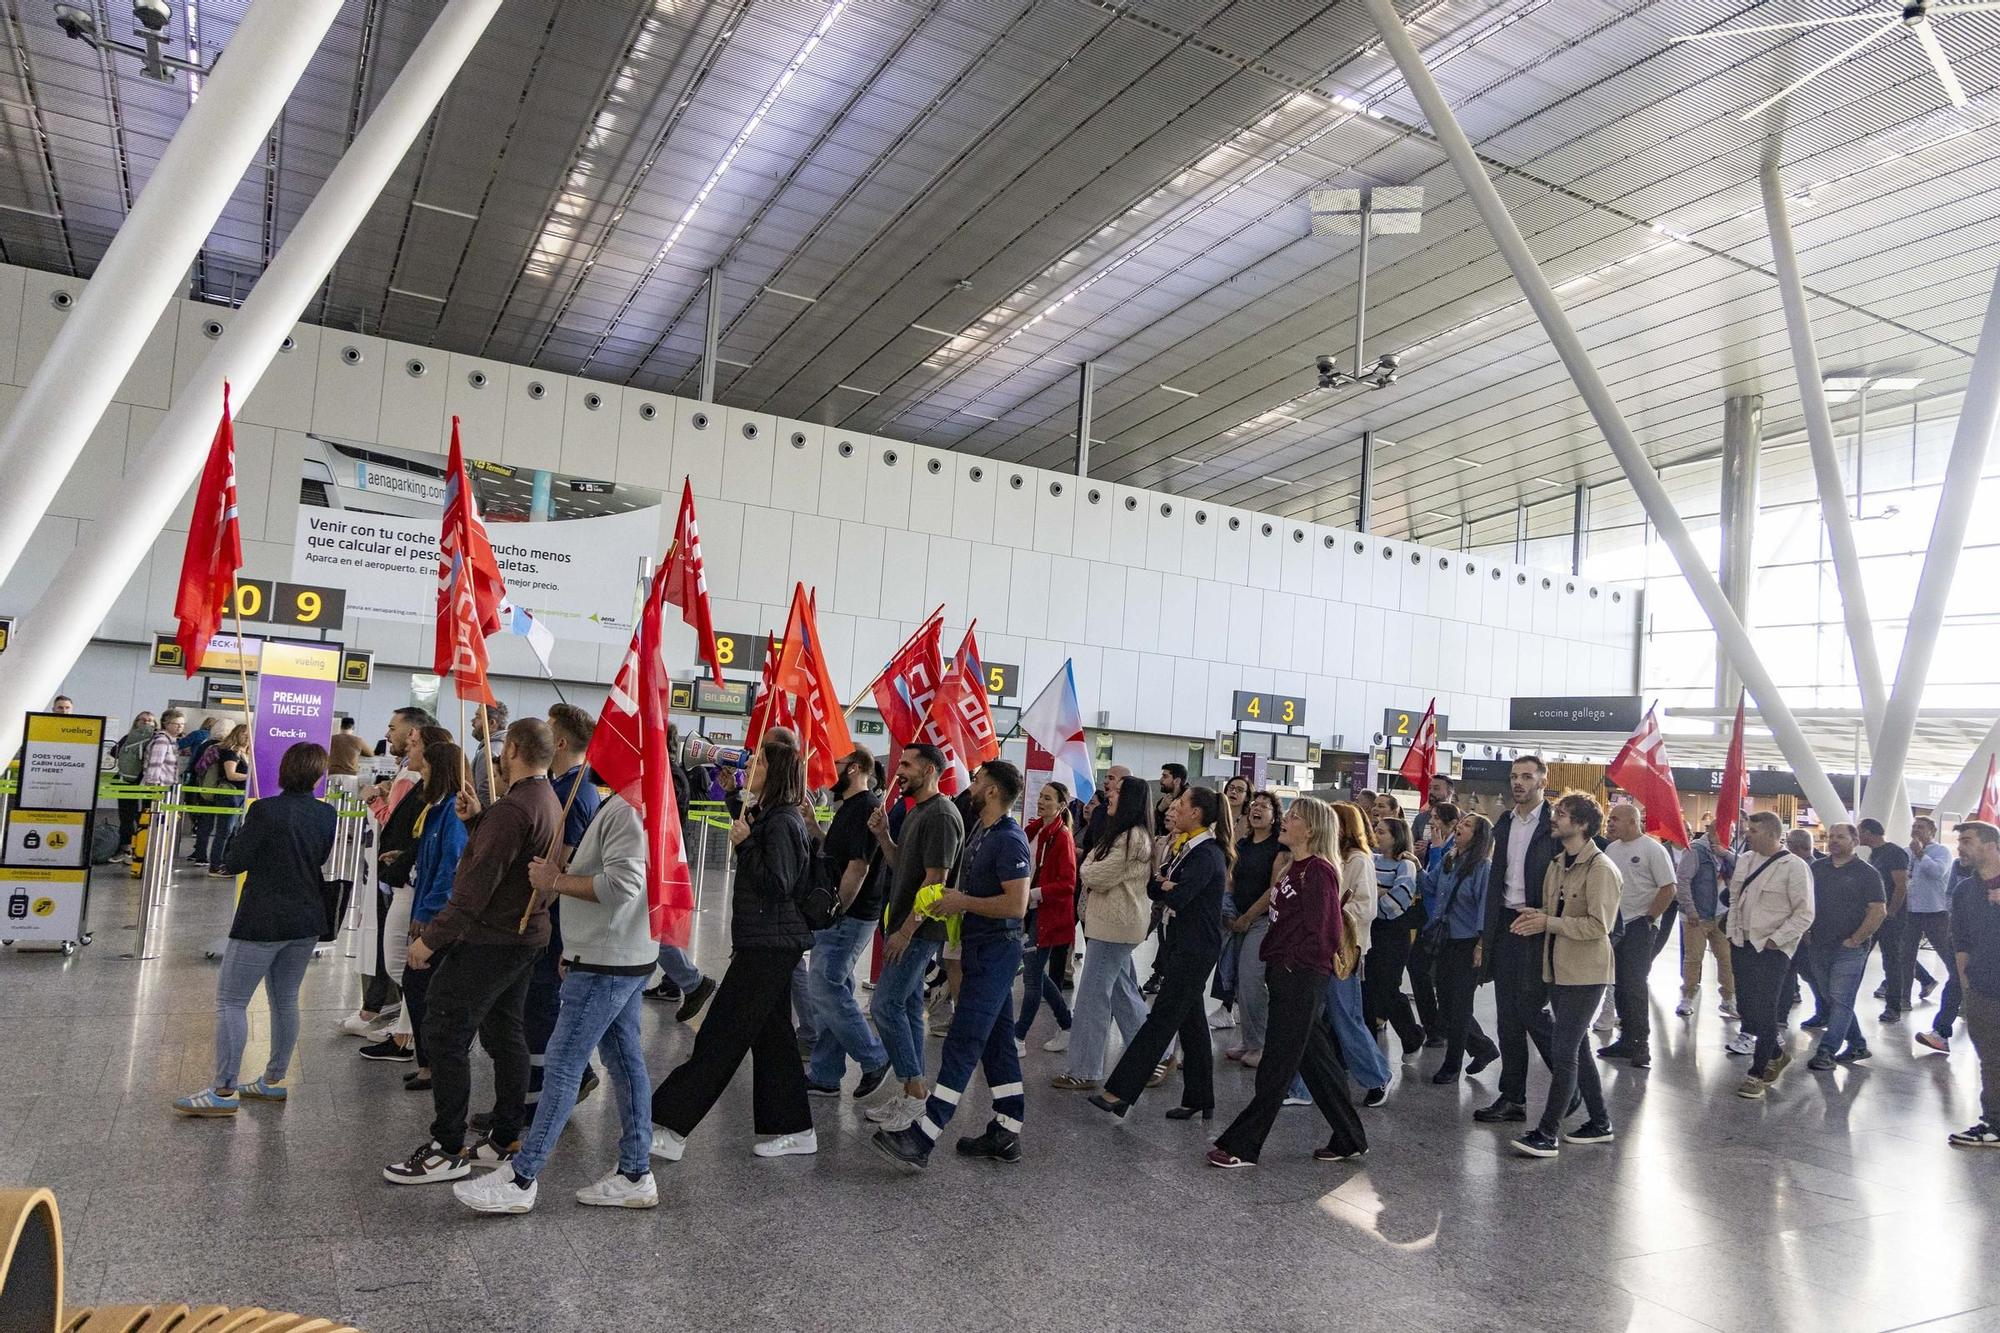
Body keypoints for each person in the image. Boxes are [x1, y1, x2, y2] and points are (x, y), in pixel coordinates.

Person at [454, 790, 661, 1213]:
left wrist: (555, 881)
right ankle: (636, 1171)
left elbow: (623, 885)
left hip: (607, 961)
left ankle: (522, 1176)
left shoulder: (626, 810)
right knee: (625, 1061)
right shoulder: (639, 802)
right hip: (619, 954)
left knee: (564, 1064)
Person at [383, 719, 561, 1183]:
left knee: (444, 1028)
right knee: (505, 1033)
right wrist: (479, 820)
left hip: (490, 938)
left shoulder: (514, 809)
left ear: (515, 749)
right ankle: (506, 1137)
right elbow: (513, 858)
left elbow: (475, 887)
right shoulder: (544, 800)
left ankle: (447, 1147)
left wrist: (430, 939)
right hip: (524, 936)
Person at [650, 730, 818, 1162]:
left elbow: (779, 884)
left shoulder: (784, 820)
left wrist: (744, 846)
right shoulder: (772, 815)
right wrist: (732, 802)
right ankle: (794, 1128)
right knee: (774, 1039)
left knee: (721, 1034)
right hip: (766, 942)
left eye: (759, 764)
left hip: (769, 946)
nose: (750, 769)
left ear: (776, 773)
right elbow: (758, 840)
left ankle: (671, 1124)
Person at [873, 761, 1034, 1169]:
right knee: (997, 1045)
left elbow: (1015, 905)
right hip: (978, 948)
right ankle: (1007, 1129)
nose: (972, 786)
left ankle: (923, 1136)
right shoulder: (983, 830)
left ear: (993, 791)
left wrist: (962, 901)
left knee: (963, 1041)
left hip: (997, 951)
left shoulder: (1010, 840)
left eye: (978, 781)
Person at [174, 743, 337, 1116]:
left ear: (285, 769)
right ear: (317, 775)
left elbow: (235, 861)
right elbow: (321, 857)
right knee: (285, 1000)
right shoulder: (327, 813)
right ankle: (273, 1080)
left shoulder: (264, 810)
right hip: (308, 917)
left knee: (232, 1001)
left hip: (262, 919)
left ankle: (224, 1089)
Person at [1208, 796, 1367, 1168]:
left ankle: (1243, 1145)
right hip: (1285, 973)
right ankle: (1350, 1137)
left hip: (1301, 976)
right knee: (1318, 1062)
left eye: (1294, 817)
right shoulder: (1294, 867)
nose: (1286, 820)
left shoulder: (1320, 871)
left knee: (1277, 1063)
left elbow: (1325, 931)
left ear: (1310, 828)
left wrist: (1294, 965)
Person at [1089, 785, 1231, 1121]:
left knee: (1162, 1018)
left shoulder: (1207, 854)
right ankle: (1200, 1097)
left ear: (1196, 813)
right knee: (1192, 1021)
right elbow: (1156, 889)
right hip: (1179, 943)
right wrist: (1166, 884)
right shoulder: (1183, 848)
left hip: (1197, 948)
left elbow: (1179, 896)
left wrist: (1168, 885)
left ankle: (1119, 1092)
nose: (1173, 808)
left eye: (1181, 804)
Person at [1507, 792, 1619, 1157]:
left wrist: (1548, 921)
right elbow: (1557, 909)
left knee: (1565, 1048)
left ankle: (1547, 1132)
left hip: (1586, 972)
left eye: (1562, 814)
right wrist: (1536, 914)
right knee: (1579, 1047)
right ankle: (1600, 1122)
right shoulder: (1559, 862)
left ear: (1583, 824)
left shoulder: (1601, 868)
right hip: (1557, 967)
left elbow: (1598, 925)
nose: (1554, 818)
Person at [864, 743, 965, 1129]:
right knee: (906, 1008)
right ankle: (910, 1093)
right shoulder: (915, 811)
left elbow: (935, 883)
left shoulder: (940, 815)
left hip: (919, 931)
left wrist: (906, 931)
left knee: (885, 1006)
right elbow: (901, 867)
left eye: (907, 765)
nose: (898, 771)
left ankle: (917, 1093)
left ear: (930, 770)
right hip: (905, 925)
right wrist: (884, 837)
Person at [519, 704, 605, 1119]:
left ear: (562, 742)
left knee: (543, 1002)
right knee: (538, 1002)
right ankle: (567, 1076)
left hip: (556, 917)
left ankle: (545, 1091)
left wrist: (536, 909)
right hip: (552, 912)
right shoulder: (564, 784)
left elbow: (562, 859)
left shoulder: (578, 789)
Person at [1475, 756, 1561, 1125]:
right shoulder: (1506, 823)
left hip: (1539, 924)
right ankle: (1512, 1097)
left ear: (1543, 780)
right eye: (1514, 777)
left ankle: (1572, 1082)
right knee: (1508, 1018)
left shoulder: (1555, 824)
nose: (1518, 783)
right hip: (1507, 923)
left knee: (1532, 1013)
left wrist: (1551, 919)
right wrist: (1486, 936)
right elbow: (1498, 881)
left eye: (1527, 776)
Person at [1052, 774, 1152, 1092]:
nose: (1110, 794)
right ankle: (1155, 1054)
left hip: (1114, 927)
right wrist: (1091, 862)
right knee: (1123, 994)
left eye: (1118, 791)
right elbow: (1095, 861)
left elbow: (1096, 874)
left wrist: (1087, 865)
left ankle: (1084, 1069)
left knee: (1092, 998)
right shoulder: (1121, 834)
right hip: (1111, 925)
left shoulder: (1132, 838)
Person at [806, 747, 892, 1100]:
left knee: (824, 986)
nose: (830, 770)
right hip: (842, 911)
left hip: (850, 915)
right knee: (831, 989)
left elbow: (859, 866)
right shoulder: (848, 808)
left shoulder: (865, 807)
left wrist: (838, 907)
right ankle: (826, 1073)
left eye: (836, 765)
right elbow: (839, 854)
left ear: (854, 769)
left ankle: (873, 1058)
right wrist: (814, 827)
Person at [357, 726, 446, 1063]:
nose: (408, 748)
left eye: (414, 743)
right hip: (405, 878)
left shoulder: (432, 793)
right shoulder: (422, 786)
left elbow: (426, 842)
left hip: (416, 890)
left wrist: (376, 799)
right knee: (403, 966)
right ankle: (407, 1034)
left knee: (403, 963)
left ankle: (412, 1036)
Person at [1726, 812, 1815, 1100]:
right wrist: (1732, 934)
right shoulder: (1745, 861)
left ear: (1771, 834)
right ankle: (1776, 1053)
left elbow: (1804, 913)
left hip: (1771, 949)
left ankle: (1757, 1071)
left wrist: (1778, 940)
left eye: (1753, 830)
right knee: (1747, 1009)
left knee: (1765, 1008)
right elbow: (1734, 900)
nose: (1747, 834)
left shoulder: (1794, 867)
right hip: (1741, 943)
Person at [398, 741, 468, 1091]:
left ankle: (433, 1065)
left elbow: (449, 870)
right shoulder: (437, 809)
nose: (420, 774)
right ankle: (426, 1063)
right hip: (425, 907)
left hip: (439, 917)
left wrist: (427, 914)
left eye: (424, 768)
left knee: (422, 986)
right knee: (416, 986)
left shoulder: (454, 812)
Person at [1595, 802, 1679, 1070]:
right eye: (1610, 819)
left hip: (1639, 926)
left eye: (1616, 819)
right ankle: (1626, 1038)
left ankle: (1641, 1043)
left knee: (1634, 983)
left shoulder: (1652, 849)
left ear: (1633, 821)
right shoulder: (1611, 849)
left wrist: (1649, 919)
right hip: (1614, 926)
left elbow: (1669, 888)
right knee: (1618, 983)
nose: (1611, 824)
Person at [1802, 824, 1886, 1071]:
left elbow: (1877, 910)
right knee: (1833, 998)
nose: (1834, 840)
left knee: (1841, 998)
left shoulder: (1867, 873)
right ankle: (1858, 1044)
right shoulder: (1816, 868)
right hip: (1818, 944)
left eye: (1840, 836)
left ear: (1855, 840)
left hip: (1849, 948)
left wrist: (1856, 939)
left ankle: (1826, 1051)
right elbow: (1804, 902)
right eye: (1831, 836)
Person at [1424, 811, 1500, 1083]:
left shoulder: (1483, 867)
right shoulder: (1449, 858)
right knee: (1446, 1005)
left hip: (1468, 944)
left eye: (1467, 825)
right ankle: (1484, 1048)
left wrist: (1482, 944)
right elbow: (1429, 885)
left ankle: (1452, 1064)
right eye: (1461, 822)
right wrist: (1428, 853)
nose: (1460, 827)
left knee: (1459, 1007)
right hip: (1445, 941)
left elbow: (1485, 909)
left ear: (1478, 836)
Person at [1325, 802, 1392, 1108]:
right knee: (1312, 1019)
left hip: (1343, 949)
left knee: (1345, 1016)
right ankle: (1304, 1082)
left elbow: (1366, 907)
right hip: (1320, 947)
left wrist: (1331, 915)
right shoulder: (1328, 856)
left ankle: (1378, 1075)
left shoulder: (1358, 861)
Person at [1947, 820, 2000, 1147]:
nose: (1961, 847)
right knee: (1992, 1058)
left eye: (1967, 840)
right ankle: (1994, 1122)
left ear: (1991, 844)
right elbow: (1962, 941)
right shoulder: (1965, 890)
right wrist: (1966, 986)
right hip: (1984, 986)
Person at [1226, 791, 1289, 1065]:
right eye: (1255, 805)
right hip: (1237, 918)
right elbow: (1231, 878)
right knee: (1241, 982)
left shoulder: (1279, 848)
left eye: (1265, 806)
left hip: (1261, 921)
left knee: (1253, 982)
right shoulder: (1243, 844)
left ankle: (1261, 1044)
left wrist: (1249, 917)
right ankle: (1250, 1040)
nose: (1257, 808)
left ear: (1275, 816)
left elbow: (1274, 889)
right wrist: (1230, 912)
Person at [1016, 781, 1077, 1051]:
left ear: (1061, 805)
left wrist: (1034, 894)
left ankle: (1018, 1037)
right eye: (1040, 797)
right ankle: (1067, 1025)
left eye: (1048, 799)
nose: (1041, 802)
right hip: (1029, 912)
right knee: (1036, 974)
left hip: (1046, 915)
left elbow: (1068, 884)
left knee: (1031, 978)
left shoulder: (1061, 836)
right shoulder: (1035, 830)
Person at [1365, 814, 1425, 1059]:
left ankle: (1412, 1035)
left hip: (1393, 934)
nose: (1376, 835)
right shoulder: (1370, 859)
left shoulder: (1406, 865)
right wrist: (1377, 893)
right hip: (1370, 931)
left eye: (1382, 832)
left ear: (1396, 837)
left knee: (1389, 988)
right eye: (1375, 830)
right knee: (1367, 988)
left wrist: (1373, 893)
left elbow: (1395, 905)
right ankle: (1365, 1045)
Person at [1673, 822, 1738, 1020]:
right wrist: (1690, 909)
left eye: (1732, 833)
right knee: (1693, 958)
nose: (1731, 836)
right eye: (1727, 832)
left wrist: (1726, 853)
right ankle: (1687, 997)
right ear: (1712, 831)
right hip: (1697, 916)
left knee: (1726, 958)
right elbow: (1682, 880)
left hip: (1720, 914)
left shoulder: (1729, 852)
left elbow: (1744, 867)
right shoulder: (1695, 851)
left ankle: (1729, 999)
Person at [1910, 817, 1962, 1054]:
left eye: (1967, 841)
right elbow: (1952, 894)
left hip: (1935, 914)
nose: (1961, 847)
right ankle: (1941, 1031)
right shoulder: (1964, 867)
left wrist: (1921, 855)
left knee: (1955, 969)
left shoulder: (1940, 852)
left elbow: (1938, 874)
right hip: (1913, 912)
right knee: (1904, 955)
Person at [1857, 819, 1913, 1024]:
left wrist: (1891, 912)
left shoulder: (1894, 853)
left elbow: (1901, 885)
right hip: (1875, 915)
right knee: (1860, 956)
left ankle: (1893, 1006)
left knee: (1891, 961)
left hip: (1890, 918)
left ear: (1870, 832)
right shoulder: (1875, 854)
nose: (1858, 836)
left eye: (1860, 832)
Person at [197, 725, 251, 877]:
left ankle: (225, 863)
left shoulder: (244, 753)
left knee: (231, 831)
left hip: (238, 795)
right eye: (244, 734)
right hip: (228, 794)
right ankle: (216, 865)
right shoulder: (231, 753)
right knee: (224, 831)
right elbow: (231, 774)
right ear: (236, 734)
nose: (247, 737)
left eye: (249, 734)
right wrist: (251, 776)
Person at [110, 711, 158, 859]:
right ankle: (139, 848)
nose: (146, 723)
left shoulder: (128, 738)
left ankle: (128, 848)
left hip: (127, 780)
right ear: (136, 722)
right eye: (142, 720)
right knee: (139, 815)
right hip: (147, 780)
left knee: (129, 815)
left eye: (149, 720)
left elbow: (114, 752)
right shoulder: (157, 739)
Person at [470, 700, 510, 809]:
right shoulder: (501, 746)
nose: (472, 721)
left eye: (478, 717)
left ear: (492, 723)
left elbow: (485, 792)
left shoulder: (489, 751)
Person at [1410, 774, 1455, 845]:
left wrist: (1431, 848)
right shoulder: (1420, 818)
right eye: (1429, 788)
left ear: (1449, 792)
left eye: (1436, 788)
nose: (1431, 792)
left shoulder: (1463, 819)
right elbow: (1409, 844)